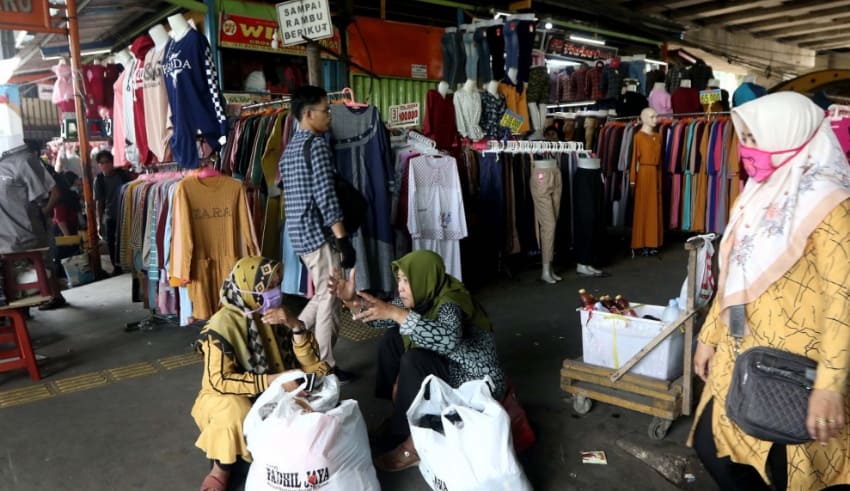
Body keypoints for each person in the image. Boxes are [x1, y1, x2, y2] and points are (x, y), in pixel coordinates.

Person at [690, 92, 850, 490]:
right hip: (737, 357)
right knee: (717, 449)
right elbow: (732, 274)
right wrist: (708, 338)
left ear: (789, 135)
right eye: (744, 138)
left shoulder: (833, 206)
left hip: (793, 371)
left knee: (785, 467)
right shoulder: (757, 195)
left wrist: (830, 386)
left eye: (755, 138)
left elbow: (843, 299)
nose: (747, 149)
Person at [329, 250, 506, 472]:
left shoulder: (451, 302)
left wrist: (396, 314)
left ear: (424, 277)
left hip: (472, 377)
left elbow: (447, 340)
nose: (400, 287)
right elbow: (377, 315)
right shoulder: (423, 296)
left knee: (415, 360)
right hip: (447, 363)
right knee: (392, 340)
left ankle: (412, 443)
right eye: (399, 280)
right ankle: (399, 417)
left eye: (406, 280)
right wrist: (352, 300)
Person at [192, 256, 329, 491]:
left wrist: (295, 325)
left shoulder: (279, 313)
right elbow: (219, 381)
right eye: (268, 287)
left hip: (276, 385)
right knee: (236, 410)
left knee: (322, 376)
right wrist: (273, 381)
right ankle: (221, 468)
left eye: (278, 284)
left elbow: (311, 361)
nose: (275, 292)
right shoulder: (222, 325)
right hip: (230, 394)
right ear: (248, 288)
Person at [278, 85, 356, 382]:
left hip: (299, 235)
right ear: (308, 114)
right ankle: (323, 366)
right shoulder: (317, 145)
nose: (329, 116)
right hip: (319, 234)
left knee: (324, 294)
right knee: (332, 299)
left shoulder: (290, 151)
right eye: (325, 110)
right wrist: (343, 239)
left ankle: (293, 334)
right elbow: (326, 196)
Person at [0, 141, 68, 310]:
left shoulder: (26, 163)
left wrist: (44, 212)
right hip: (20, 230)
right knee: (40, 265)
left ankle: (54, 296)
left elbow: (55, 193)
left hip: (31, 228)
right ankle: (52, 296)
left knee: (43, 264)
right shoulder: (14, 166)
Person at [629, 107, 663, 255]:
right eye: (652, 117)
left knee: (654, 208)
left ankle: (653, 242)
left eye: (656, 116)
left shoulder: (658, 136)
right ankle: (641, 242)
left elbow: (661, 160)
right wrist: (632, 180)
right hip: (643, 174)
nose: (655, 120)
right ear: (643, 118)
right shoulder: (638, 137)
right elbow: (633, 160)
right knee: (643, 207)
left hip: (655, 173)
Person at [93, 150, 132, 275]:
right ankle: (117, 266)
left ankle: (130, 262)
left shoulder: (122, 175)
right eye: (102, 163)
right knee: (111, 242)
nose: (105, 165)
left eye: (107, 162)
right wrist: (99, 222)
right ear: (99, 165)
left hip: (126, 212)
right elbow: (99, 202)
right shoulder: (99, 180)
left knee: (127, 239)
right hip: (111, 215)